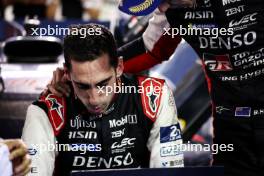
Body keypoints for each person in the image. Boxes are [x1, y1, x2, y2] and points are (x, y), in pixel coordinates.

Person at [48, 0, 264, 176]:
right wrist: (84, 71)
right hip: (231, 128)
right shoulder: (172, 11)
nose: (161, 9)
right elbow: (151, 49)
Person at [22, 23, 184, 175]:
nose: (93, 99)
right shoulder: (45, 111)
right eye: (83, 86)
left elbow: (169, 169)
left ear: (119, 67)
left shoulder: (154, 96)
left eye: (103, 84)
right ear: (67, 73)